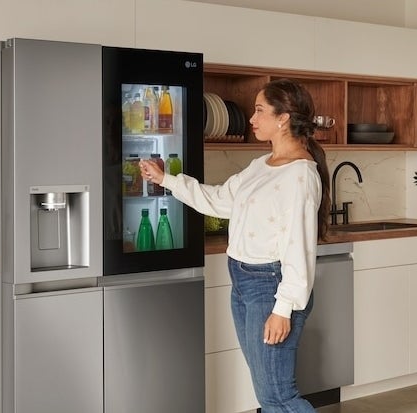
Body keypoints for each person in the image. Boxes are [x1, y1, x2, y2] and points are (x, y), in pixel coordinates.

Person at [139, 79, 330, 412]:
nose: (252, 119)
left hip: (270, 287)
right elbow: (219, 201)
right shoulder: (262, 166)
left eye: (259, 110)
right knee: (267, 391)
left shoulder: (300, 176)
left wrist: (282, 309)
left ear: (283, 117)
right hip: (243, 283)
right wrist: (166, 180)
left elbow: (299, 248)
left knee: (278, 396)